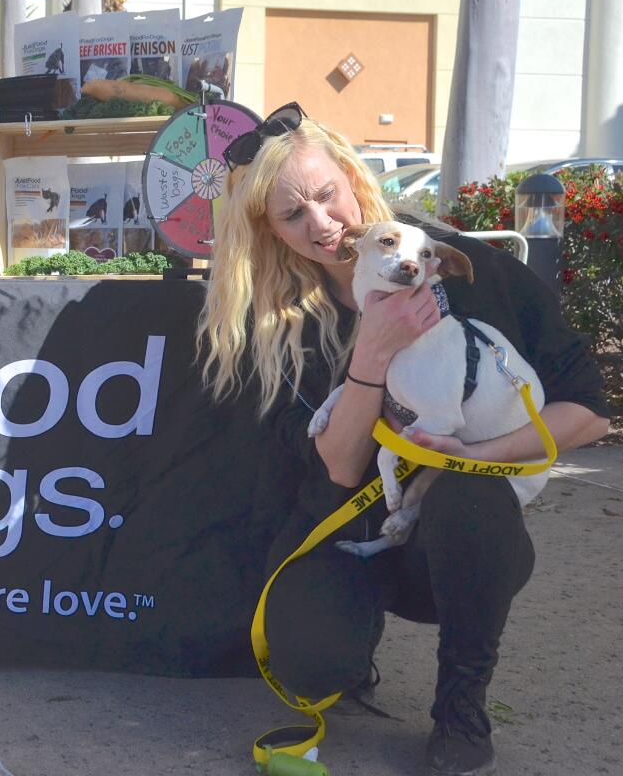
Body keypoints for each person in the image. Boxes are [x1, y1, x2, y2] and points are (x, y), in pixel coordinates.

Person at [196, 103, 611, 776]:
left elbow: (589, 412)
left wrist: (475, 457)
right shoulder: (275, 320)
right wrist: (374, 354)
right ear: (267, 229)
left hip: (451, 535)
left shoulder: (460, 264)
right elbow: (335, 468)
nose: (323, 225)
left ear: (351, 178)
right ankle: (351, 643)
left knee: (470, 500)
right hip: (341, 524)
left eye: (326, 196)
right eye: (293, 215)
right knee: (310, 665)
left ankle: (461, 704)